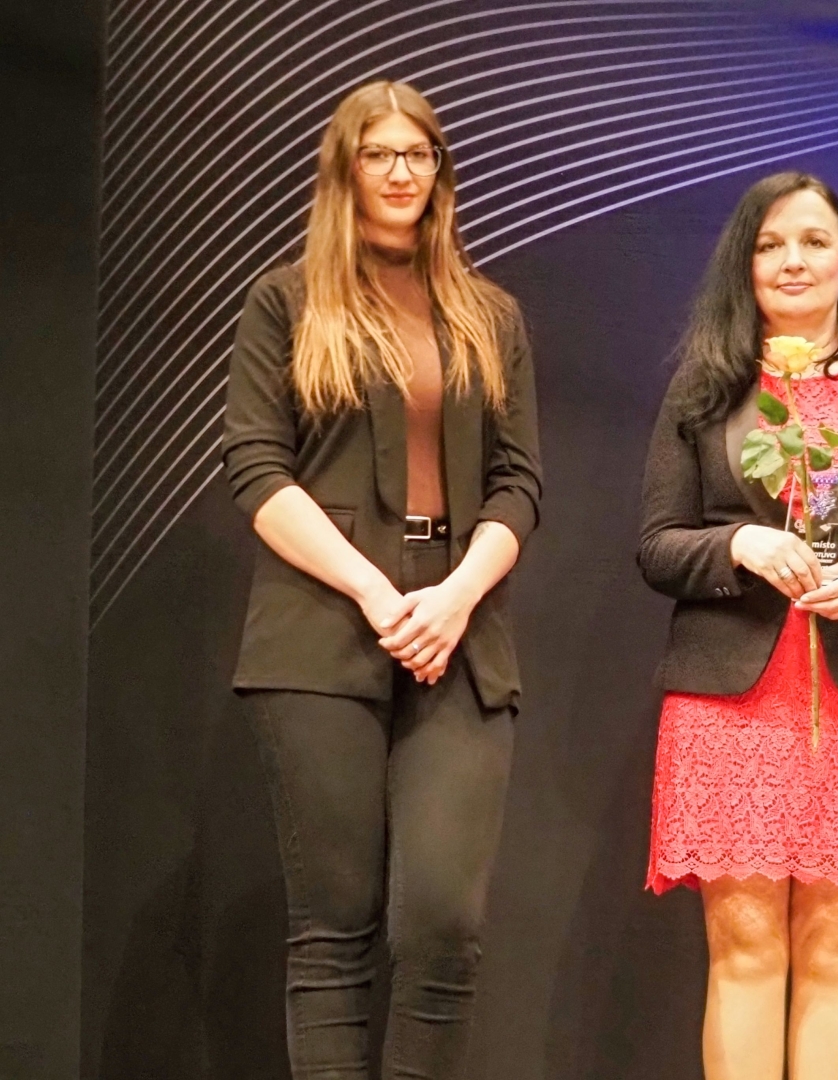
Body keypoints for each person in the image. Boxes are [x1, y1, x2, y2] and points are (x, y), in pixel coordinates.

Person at [221, 80, 541, 1078]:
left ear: (440, 171)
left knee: (443, 922)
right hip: (322, 627)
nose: (402, 172)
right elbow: (257, 470)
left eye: (419, 153)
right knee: (332, 928)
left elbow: (519, 484)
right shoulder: (286, 300)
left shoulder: (490, 313)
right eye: (379, 154)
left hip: (460, 625)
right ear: (345, 170)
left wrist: (455, 597)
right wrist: (372, 589)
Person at [639, 171, 838, 1080]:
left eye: (814, 242)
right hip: (730, 704)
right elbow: (658, 546)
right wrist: (737, 543)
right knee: (745, 952)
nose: (793, 260)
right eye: (771, 244)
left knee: (835, 953)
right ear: (745, 268)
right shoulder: (705, 387)